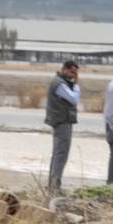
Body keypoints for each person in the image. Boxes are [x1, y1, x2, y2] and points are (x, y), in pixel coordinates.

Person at [45, 59, 80, 193]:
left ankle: (53, 184)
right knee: (61, 154)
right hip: (62, 122)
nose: (73, 75)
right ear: (65, 69)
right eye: (72, 72)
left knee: (58, 154)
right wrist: (76, 85)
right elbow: (74, 99)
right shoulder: (60, 84)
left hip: (62, 121)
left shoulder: (61, 82)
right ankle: (54, 185)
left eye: (75, 73)